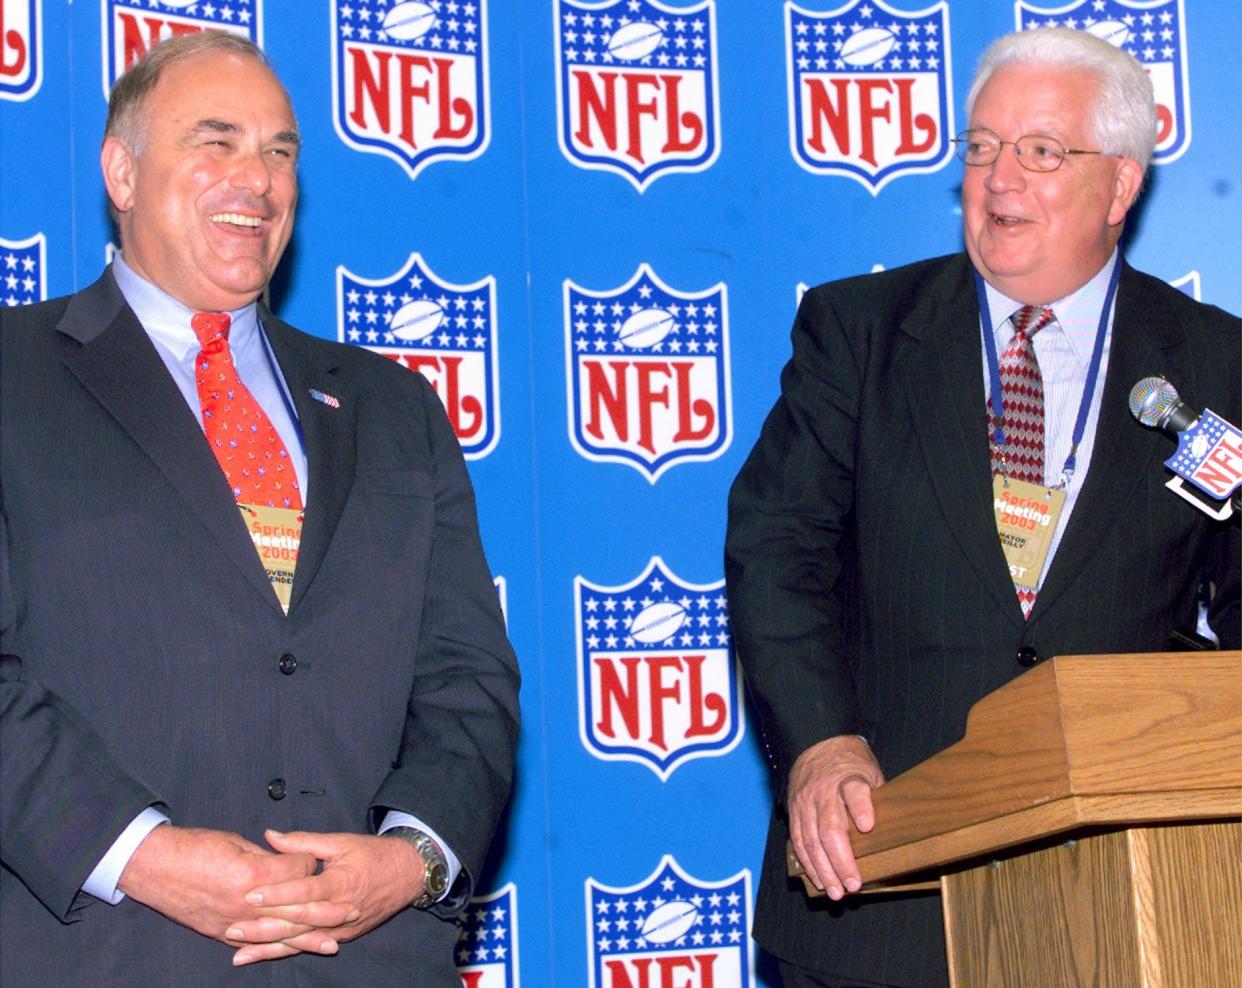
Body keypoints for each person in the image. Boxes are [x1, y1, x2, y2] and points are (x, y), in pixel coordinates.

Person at [0, 32, 519, 986]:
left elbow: (466, 676)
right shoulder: (12, 375)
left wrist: (411, 861)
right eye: (217, 140)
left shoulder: (392, 405)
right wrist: (143, 855)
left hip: (369, 959)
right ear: (120, 171)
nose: (258, 179)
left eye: (281, 152)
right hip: (103, 953)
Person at [725, 28, 1239, 988]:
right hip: (880, 882)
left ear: (1121, 186)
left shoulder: (1216, 364)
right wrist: (821, 744)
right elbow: (776, 552)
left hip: (1128, 894)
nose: (1000, 179)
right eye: (982, 147)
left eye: (1042, 152)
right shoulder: (859, 334)